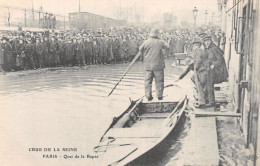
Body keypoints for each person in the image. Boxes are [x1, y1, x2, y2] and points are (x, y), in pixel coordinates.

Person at [137, 29, 169, 101]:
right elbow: (168, 47)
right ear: (157, 34)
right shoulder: (161, 41)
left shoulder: (146, 42)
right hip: (158, 65)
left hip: (148, 66)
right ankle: (159, 96)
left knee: (148, 82)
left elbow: (140, 49)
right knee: (159, 81)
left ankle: (148, 96)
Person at [203, 36, 227, 107]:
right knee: (207, 85)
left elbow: (220, 59)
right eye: (205, 41)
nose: (206, 43)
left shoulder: (214, 49)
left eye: (208, 41)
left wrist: (214, 65)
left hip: (213, 70)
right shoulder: (207, 49)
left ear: (211, 41)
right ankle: (207, 100)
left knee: (210, 85)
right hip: (207, 69)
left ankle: (211, 102)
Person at [192, 38, 209, 108]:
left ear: (196, 44)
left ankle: (202, 102)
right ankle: (205, 99)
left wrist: (196, 68)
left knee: (200, 85)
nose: (193, 46)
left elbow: (199, 60)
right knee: (195, 80)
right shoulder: (200, 50)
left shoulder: (198, 50)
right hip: (203, 69)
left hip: (200, 70)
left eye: (194, 44)